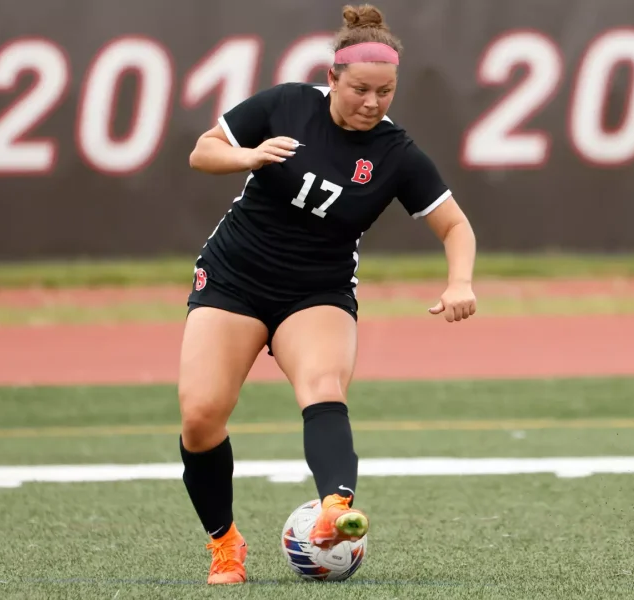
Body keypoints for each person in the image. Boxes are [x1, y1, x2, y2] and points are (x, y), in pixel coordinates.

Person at [179, 2, 478, 585]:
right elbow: (202, 150)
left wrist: (460, 281)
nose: (372, 102)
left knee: (322, 387)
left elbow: (455, 225)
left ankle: (335, 511)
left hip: (316, 289)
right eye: (360, 89)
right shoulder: (288, 104)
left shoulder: (396, 155)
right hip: (234, 278)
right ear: (331, 79)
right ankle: (225, 545)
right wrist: (248, 155)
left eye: (385, 92)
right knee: (200, 416)